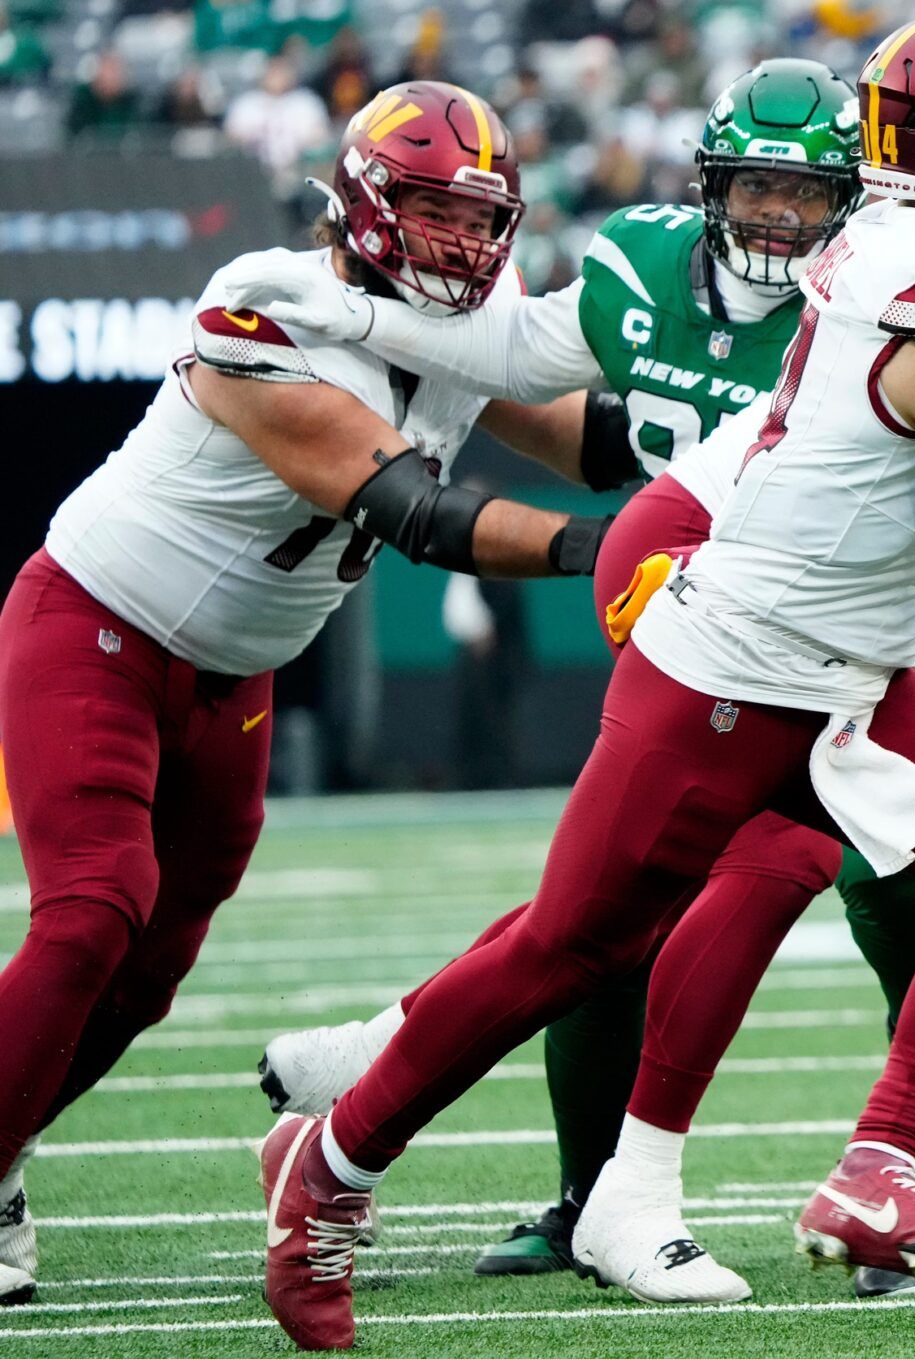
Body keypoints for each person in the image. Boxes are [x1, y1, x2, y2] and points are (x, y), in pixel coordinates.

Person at [248, 10, 915, 1348]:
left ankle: (878, 1170)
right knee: (578, 944)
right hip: (741, 659)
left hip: (831, 655)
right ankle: (331, 1163)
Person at [0, 81, 625, 1307]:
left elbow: (588, 438)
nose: (462, 246)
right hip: (97, 626)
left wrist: (731, 413)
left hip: (235, 676)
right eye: (435, 213)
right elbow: (415, 510)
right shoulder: (267, 304)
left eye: (479, 219)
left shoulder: (462, 317)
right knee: (95, 907)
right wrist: (614, 545)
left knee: (149, 969)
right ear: (364, 204)